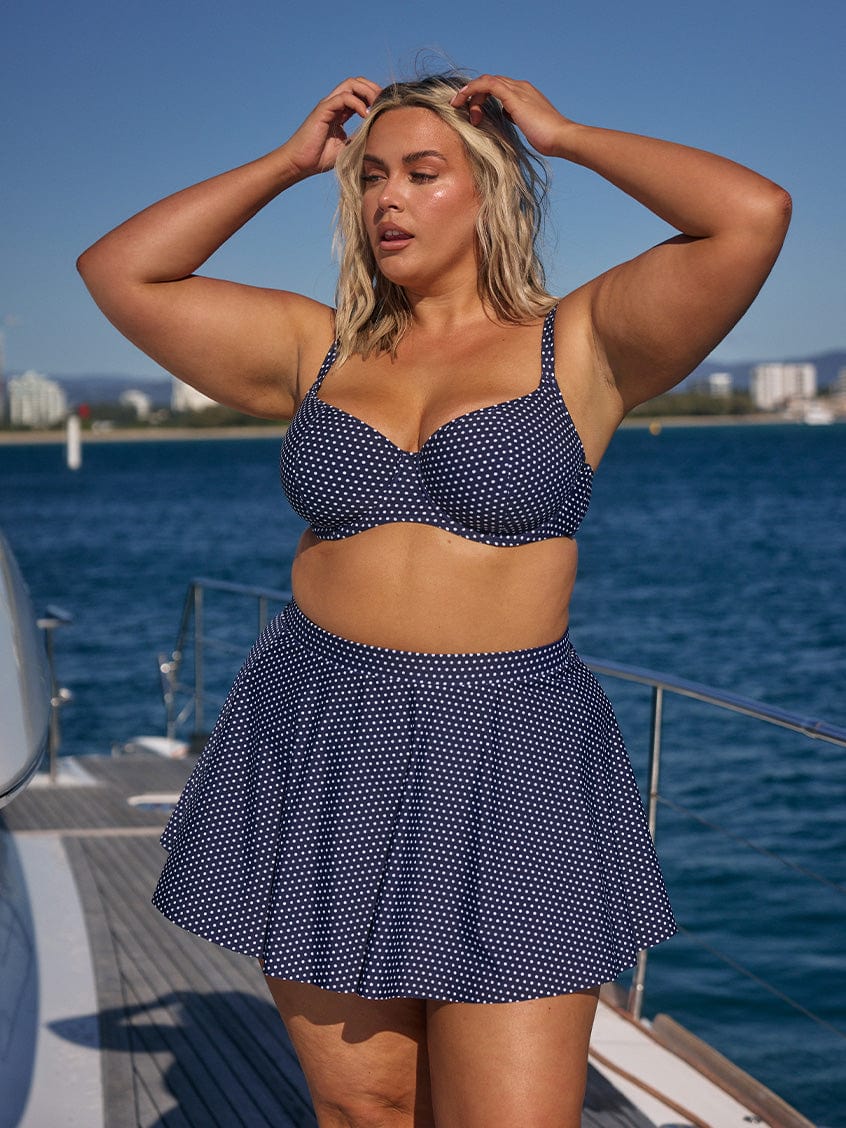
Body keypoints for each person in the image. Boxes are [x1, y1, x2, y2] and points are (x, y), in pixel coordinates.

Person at [77, 71, 790, 1127]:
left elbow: (750, 214)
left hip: (515, 750)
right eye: (369, 179)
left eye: (420, 173)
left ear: (493, 193)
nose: (386, 200)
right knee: (365, 1106)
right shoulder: (316, 349)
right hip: (322, 731)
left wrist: (566, 133)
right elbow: (121, 271)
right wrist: (286, 162)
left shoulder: (583, 343)